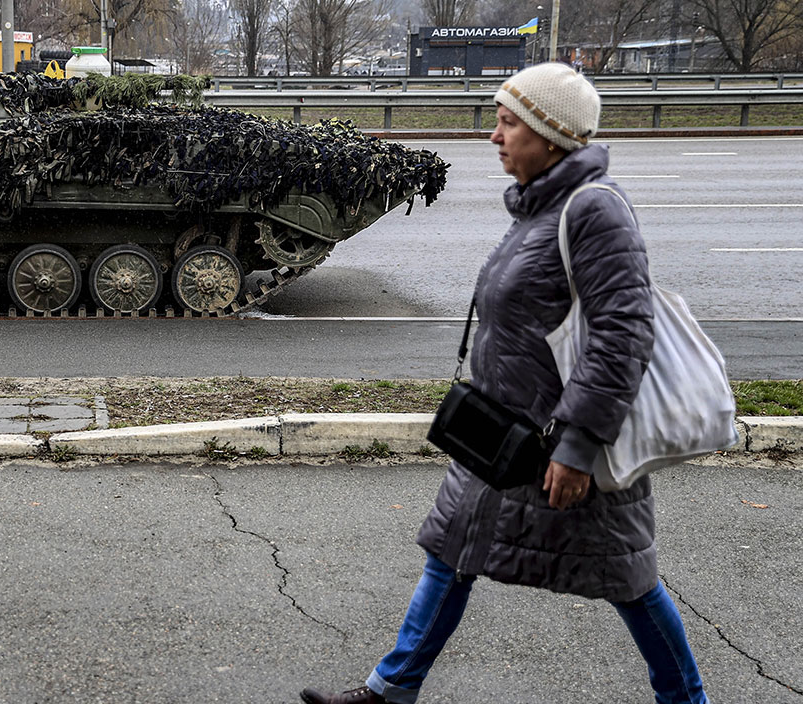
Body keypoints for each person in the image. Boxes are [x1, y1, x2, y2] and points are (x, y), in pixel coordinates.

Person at [298, 62, 708, 704]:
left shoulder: (592, 210)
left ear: (552, 136)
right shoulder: (540, 207)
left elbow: (622, 334)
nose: (495, 135)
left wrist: (577, 448)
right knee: (452, 551)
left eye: (509, 122)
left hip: (559, 443)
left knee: (627, 577)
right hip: (503, 437)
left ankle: (687, 699)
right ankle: (390, 690)